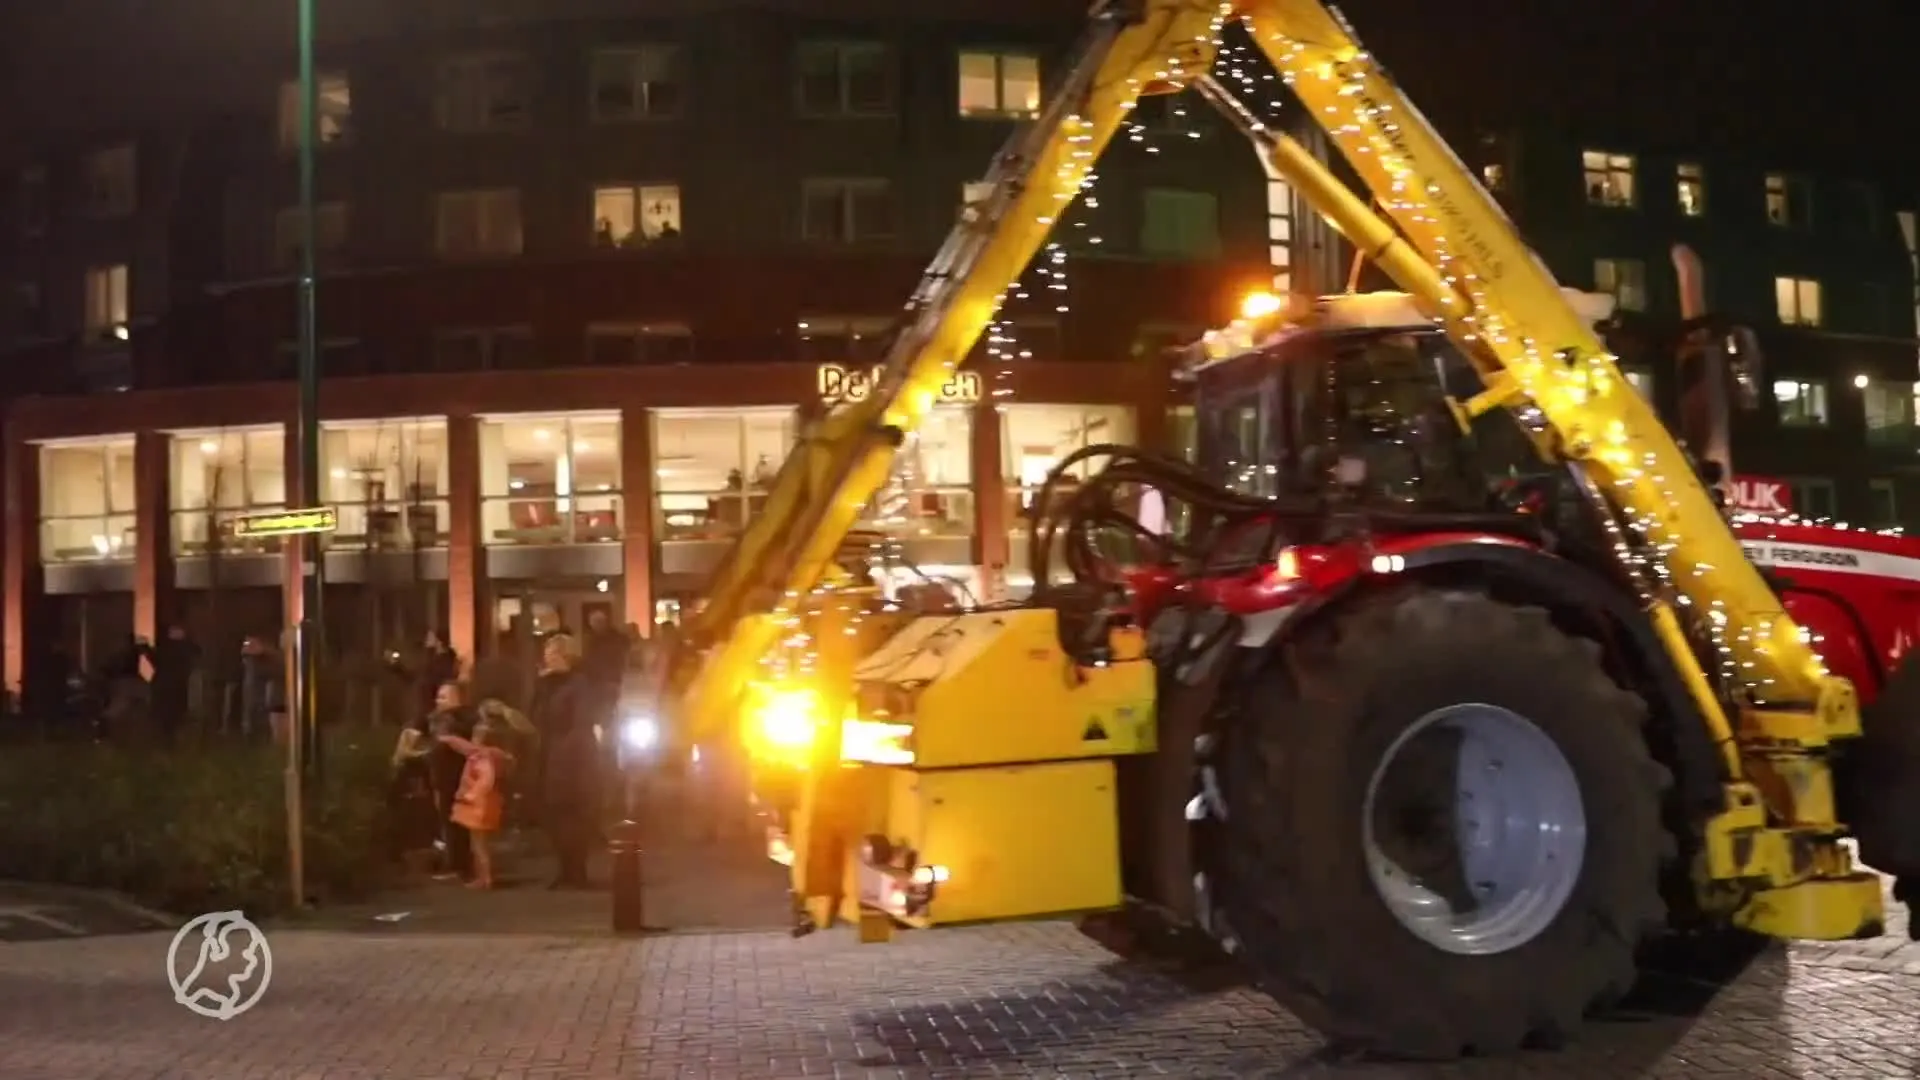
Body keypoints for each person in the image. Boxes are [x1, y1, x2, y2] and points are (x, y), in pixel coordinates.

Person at [531, 633, 599, 889]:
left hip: (573, 759)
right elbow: (536, 716)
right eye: (546, 654)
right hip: (549, 754)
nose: (547, 659)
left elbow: (581, 722)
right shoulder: (548, 685)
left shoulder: (579, 684)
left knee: (573, 816)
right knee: (555, 816)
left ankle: (576, 870)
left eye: (552, 654)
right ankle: (564, 868)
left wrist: (568, 756)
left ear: (565, 656)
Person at [440, 722, 515, 890]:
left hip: (478, 804)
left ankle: (485, 878)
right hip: (488, 802)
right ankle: (482, 876)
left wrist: (471, 794)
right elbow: (464, 747)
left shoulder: (482, 757)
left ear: (480, 739)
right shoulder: (494, 755)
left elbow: (485, 779)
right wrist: (450, 739)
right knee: (480, 842)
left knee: (478, 843)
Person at [425, 680, 479, 882]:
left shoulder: (462, 719)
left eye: (444, 696)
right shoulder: (438, 718)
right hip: (440, 775)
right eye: (439, 696)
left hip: (457, 775)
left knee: (458, 821)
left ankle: (463, 865)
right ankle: (456, 862)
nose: (439, 700)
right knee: (447, 820)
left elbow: (467, 746)